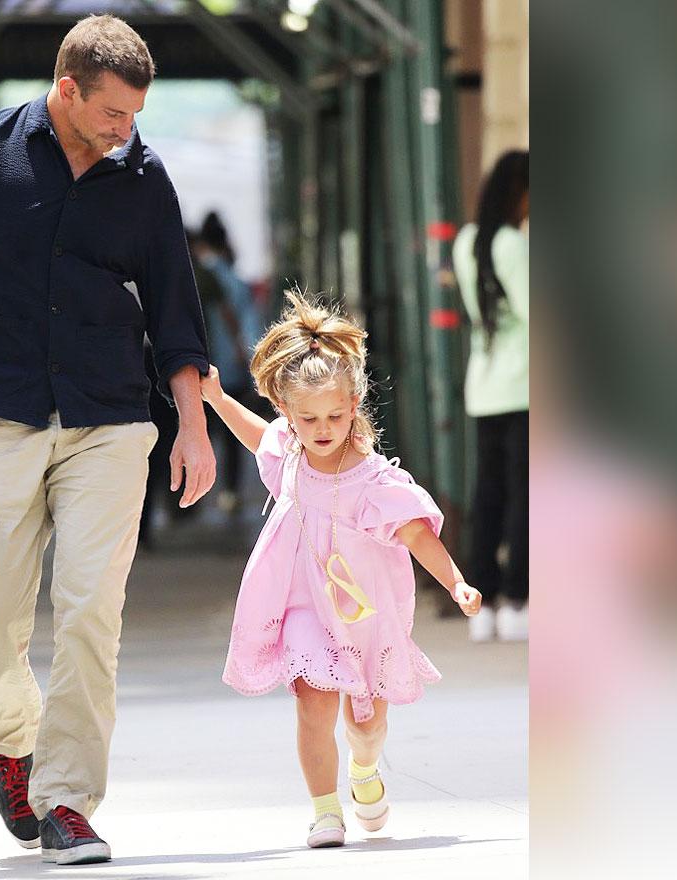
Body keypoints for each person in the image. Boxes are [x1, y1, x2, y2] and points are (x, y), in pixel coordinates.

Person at [0, 15, 215, 866]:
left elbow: (177, 310)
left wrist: (194, 428)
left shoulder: (142, 174)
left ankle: (68, 802)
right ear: (67, 91)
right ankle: (13, 741)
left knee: (92, 612)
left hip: (111, 418)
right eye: (113, 113)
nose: (125, 130)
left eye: (135, 115)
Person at [199, 290, 482, 848]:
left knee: (367, 725)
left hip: (362, 618)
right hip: (304, 607)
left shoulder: (375, 482)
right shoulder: (290, 452)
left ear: (354, 407)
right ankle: (325, 810)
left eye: (333, 415)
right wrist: (215, 399)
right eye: (307, 418)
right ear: (289, 412)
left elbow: (418, 534)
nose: (322, 428)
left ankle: (364, 769)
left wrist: (456, 582)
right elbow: (258, 435)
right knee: (313, 701)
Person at [451, 150, 529, 642]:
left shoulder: (466, 242)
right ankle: (519, 600)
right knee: (526, 498)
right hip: (523, 384)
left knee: (490, 495)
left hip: (484, 385)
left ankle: (482, 604)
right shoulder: (513, 245)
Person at [194, 212, 265, 514]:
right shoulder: (231, 277)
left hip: (205, 362)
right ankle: (230, 491)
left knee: (203, 427)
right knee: (234, 429)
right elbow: (241, 316)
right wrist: (242, 349)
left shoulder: (201, 272)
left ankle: (196, 489)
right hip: (230, 363)